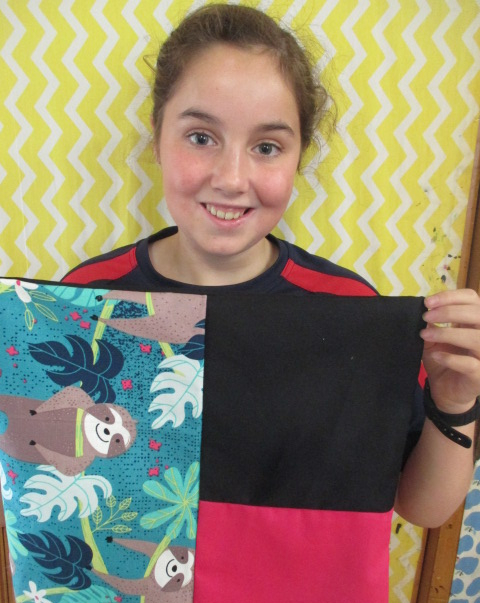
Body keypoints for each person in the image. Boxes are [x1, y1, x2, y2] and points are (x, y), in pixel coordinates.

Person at [62, 2, 479, 530]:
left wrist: (454, 401)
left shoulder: (349, 310)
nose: (232, 178)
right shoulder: (84, 297)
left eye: (266, 146)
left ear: (299, 157)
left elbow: (424, 508)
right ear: (157, 137)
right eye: (201, 137)